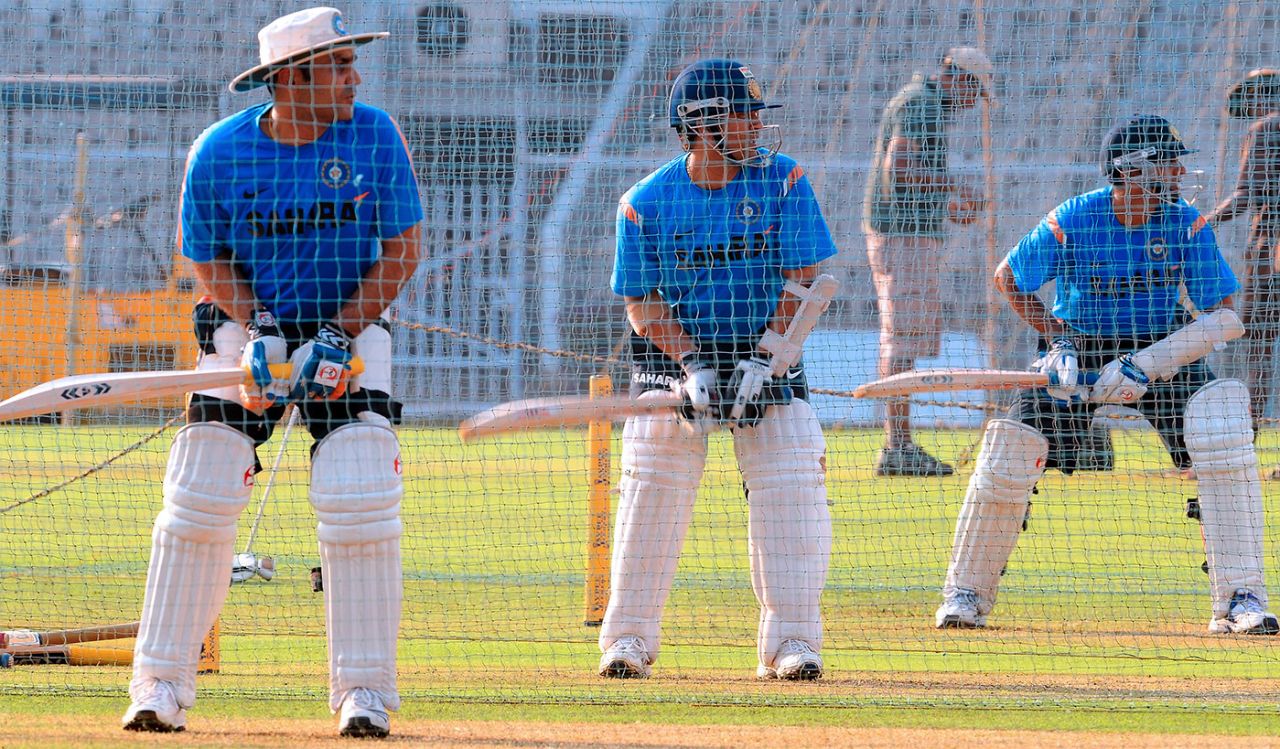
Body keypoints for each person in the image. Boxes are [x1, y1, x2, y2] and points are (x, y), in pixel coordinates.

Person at [122, 7, 422, 738]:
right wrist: (258, 329)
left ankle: (364, 691)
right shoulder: (218, 152)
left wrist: (334, 333)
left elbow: (403, 249)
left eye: (352, 62)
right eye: (339, 65)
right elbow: (206, 258)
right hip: (247, 326)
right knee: (199, 490)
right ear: (292, 79)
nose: (356, 77)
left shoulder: (374, 134)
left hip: (350, 322)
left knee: (360, 492)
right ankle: (157, 683)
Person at [933, 115, 1277, 637]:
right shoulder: (1075, 217)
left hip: (1164, 347)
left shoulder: (1184, 222)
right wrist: (1058, 340)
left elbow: (1226, 314)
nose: (1181, 171)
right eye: (1168, 161)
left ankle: (1240, 597)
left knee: (1222, 427)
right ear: (1131, 170)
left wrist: (1149, 364)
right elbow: (1008, 278)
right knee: (1010, 447)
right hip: (1082, 350)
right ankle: (966, 593)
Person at [601, 59, 837, 681]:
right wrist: (693, 367)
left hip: (766, 348)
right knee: (653, 479)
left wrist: (763, 359)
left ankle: (791, 642)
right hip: (674, 356)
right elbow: (642, 303)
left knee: (791, 474)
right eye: (745, 113)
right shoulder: (643, 204)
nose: (758, 125)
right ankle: (626, 640)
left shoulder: (785, 181)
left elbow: (803, 280)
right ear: (702, 124)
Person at [862, 47, 994, 477]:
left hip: (908, 233)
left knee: (906, 340)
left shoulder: (922, 103)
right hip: (903, 238)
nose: (974, 104)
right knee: (901, 343)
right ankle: (897, 446)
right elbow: (898, 169)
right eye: (976, 93)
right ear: (962, 80)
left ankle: (899, 444)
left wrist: (943, 203)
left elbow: (908, 176)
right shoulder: (922, 105)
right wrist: (955, 186)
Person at [1205, 69, 1280, 440]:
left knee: (1261, 348)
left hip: (1271, 254)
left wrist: (1204, 221)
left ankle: (1249, 436)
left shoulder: (1265, 131)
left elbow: (1245, 196)